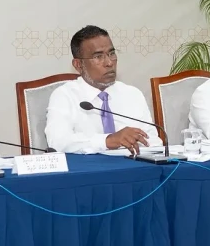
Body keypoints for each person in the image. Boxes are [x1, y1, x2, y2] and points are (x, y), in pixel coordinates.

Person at [45, 25, 162, 155]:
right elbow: (58, 142)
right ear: (78, 65)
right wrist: (107, 141)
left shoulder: (132, 94)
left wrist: (137, 142)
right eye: (98, 57)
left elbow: (154, 142)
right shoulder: (64, 96)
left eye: (111, 54)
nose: (109, 63)